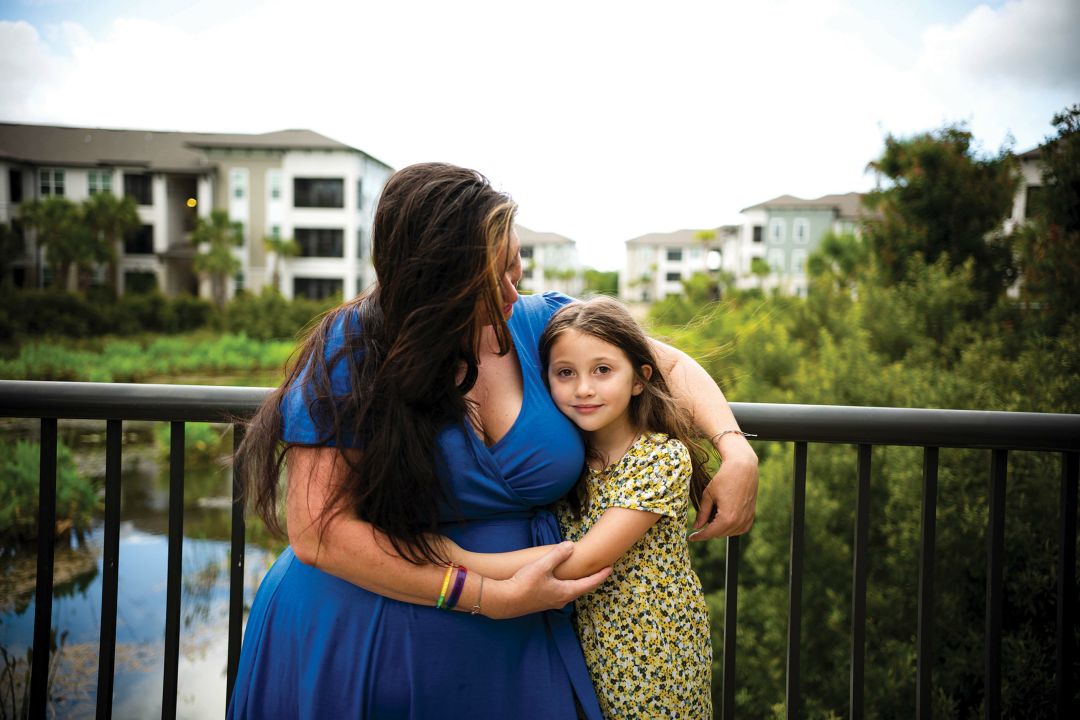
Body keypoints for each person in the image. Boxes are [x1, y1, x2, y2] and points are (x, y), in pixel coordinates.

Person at [227, 162, 758, 719]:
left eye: (515, 262)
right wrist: (479, 593)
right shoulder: (356, 346)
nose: (513, 287)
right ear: (434, 278)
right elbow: (317, 532)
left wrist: (734, 447)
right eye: (491, 275)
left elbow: (665, 364)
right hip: (365, 627)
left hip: (519, 638)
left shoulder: (541, 326)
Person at [439, 296, 718, 717]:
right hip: (586, 646)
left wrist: (458, 560)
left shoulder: (659, 458)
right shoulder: (576, 463)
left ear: (640, 379)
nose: (584, 388)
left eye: (603, 371)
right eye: (565, 373)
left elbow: (585, 559)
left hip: (653, 652)